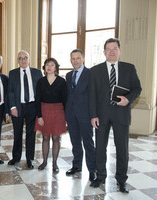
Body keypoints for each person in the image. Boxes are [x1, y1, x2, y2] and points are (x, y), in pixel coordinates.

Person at [89, 38, 142, 193]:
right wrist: (93, 115)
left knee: (122, 149)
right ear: (104, 52)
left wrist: (128, 99)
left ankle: (121, 180)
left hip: (121, 114)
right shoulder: (95, 70)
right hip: (101, 115)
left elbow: (137, 88)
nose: (111, 52)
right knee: (100, 148)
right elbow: (91, 95)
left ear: (119, 50)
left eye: (114, 48)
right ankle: (100, 177)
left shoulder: (129, 68)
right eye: (108, 49)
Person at [65, 49, 96, 181]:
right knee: (75, 142)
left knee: (88, 143)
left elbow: (95, 96)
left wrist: (94, 115)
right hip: (71, 115)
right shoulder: (68, 75)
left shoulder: (90, 74)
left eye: (78, 58)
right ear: (70, 60)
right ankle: (77, 165)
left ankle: (92, 170)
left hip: (86, 115)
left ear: (83, 58)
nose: (75, 61)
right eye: (73, 58)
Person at [7, 50, 42, 169]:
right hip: (18, 106)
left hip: (32, 106)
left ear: (29, 59)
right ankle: (16, 157)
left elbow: (41, 92)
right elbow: (10, 92)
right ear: (18, 61)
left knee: (31, 134)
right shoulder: (13, 73)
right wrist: (12, 107)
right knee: (17, 132)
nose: (23, 60)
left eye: (25, 57)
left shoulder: (37, 73)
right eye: (20, 58)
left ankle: (29, 159)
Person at [34, 58, 67, 173]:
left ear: (56, 67)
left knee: (56, 138)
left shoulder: (62, 82)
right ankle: (44, 162)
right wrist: (39, 116)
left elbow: (65, 100)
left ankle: (54, 163)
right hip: (44, 112)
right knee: (45, 137)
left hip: (58, 112)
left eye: (52, 65)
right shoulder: (40, 81)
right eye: (47, 65)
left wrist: (66, 117)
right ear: (44, 67)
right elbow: (37, 100)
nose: (49, 67)